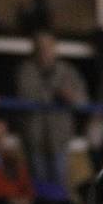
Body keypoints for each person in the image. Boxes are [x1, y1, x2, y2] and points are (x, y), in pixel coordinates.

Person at [14, 28, 89, 184]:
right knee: (38, 184)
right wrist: (56, 93)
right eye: (41, 47)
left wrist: (72, 97)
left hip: (59, 137)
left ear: (55, 48)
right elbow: (27, 95)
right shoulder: (27, 71)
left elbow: (82, 100)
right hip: (34, 137)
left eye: (48, 46)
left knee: (59, 183)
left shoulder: (67, 71)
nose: (45, 51)